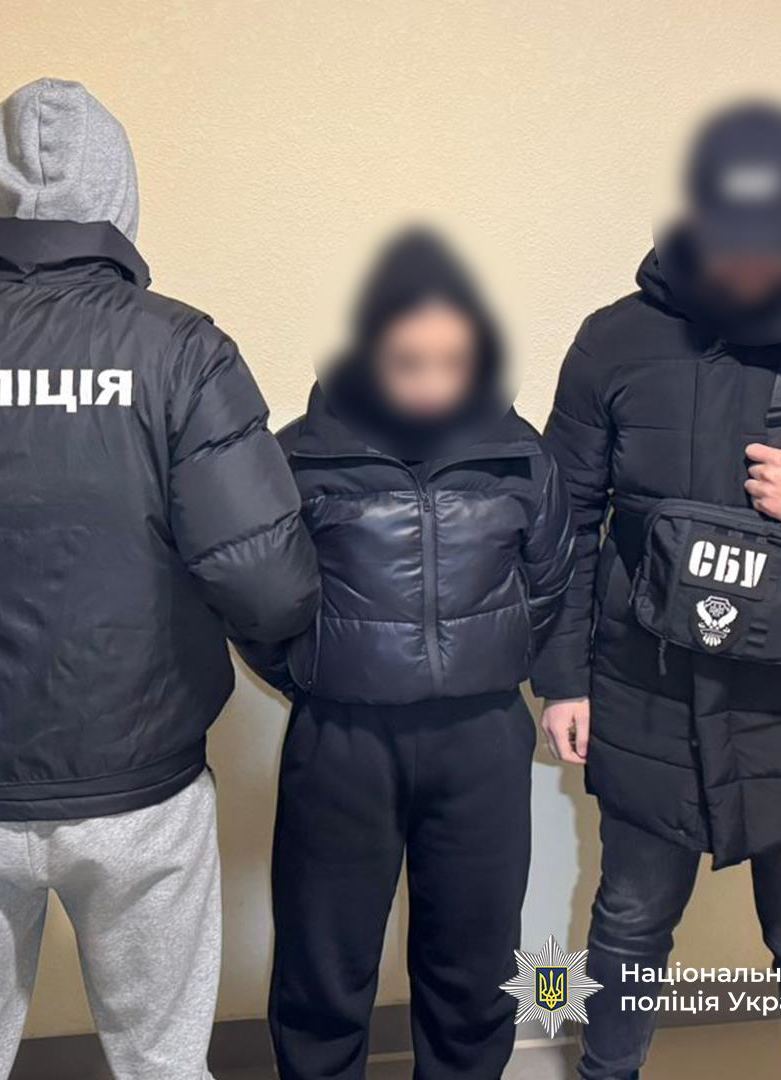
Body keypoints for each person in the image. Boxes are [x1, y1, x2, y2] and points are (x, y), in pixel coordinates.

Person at [0, 78, 319, 1080]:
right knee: (161, 1063)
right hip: (141, 789)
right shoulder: (180, 350)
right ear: (119, 203)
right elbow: (268, 585)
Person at [535, 101, 781, 1080]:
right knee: (628, 923)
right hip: (647, 697)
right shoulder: (614, 340)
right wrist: (563, 680)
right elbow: (563, 522)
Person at [238, 228, 575, 1079]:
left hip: (482, 740)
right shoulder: (299, 455)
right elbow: (263, 602)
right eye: (408, 361)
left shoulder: (519, 453)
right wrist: (318, 672)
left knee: (474, 967)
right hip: (342, 743)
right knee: (323, 964)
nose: (431, 382)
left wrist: (487, 661)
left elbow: (550, 584)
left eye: (451, 362)